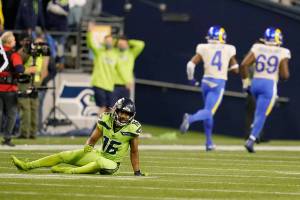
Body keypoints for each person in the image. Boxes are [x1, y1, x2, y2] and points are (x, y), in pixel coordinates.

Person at [11, 97, 146, 176]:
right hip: (100, 155)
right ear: (116, 110)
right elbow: (93, 138)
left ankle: (70, 171)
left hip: (112, 164)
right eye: (122, 112)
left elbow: (134, 152)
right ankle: (27, 166)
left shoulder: (133, 128)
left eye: (128, 114)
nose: (124, 116)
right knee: (64, 155)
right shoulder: (106, 119)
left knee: (100, 163)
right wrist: (88, 145)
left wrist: (137, 172)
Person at [180, 26, 239, 151]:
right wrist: (230, 68)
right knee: (209, 112)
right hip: (218, 82)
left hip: (205, 81)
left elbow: (190, 65)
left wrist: (191, 79)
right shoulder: (229, 48)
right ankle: (190, 118)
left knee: (208, 112)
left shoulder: (203, 47)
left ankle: (209, 143)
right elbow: (236, 70)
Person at [241, 27, 290, 153]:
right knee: (261, 114)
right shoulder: (282, 51)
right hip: (269, 85)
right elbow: (285, 75)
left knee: (258, 112)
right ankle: (251, 140)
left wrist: (246, 84)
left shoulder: (257, 47)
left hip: (255, 83)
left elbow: (244, 64)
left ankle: (254, 129)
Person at [0, 32, 30, 146]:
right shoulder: (13, 54)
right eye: (13, 40)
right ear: (8, 42)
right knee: (11, 114)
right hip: (9, 89)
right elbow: (19, 69)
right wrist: (27, 70)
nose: (15, 42)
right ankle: (7, 138)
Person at [17, 36, 49, 139]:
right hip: (36, 81)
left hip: (27, 81)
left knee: (26, 107)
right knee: (33, 107)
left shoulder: (30, 53)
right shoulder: (43, 55)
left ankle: (24, 132)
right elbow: (44, 70)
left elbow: (19, 62)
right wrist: (39, 82)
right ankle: (33, 133)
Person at [87, 22, 118, 115]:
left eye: (110, 41)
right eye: (107, 40)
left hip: (110, 86)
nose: (108, 42)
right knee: (102, 107)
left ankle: (107, 128)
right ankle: (98, 128)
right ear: (104, 42)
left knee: (111, 109)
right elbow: (91, 44)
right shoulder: (99, 52)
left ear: (113, 42)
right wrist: (89, 32)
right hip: (99, 83)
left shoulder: (116, 54)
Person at [112, 36, 145, 103]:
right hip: (114, 84)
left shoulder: (131, 53)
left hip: (126, 86)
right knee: (112, 106)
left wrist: (128, 41)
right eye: (120, 44)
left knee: (123, 108)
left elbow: (141, 44)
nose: (121, 45)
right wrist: (117, 41)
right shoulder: (114, 53)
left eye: (123, 44)